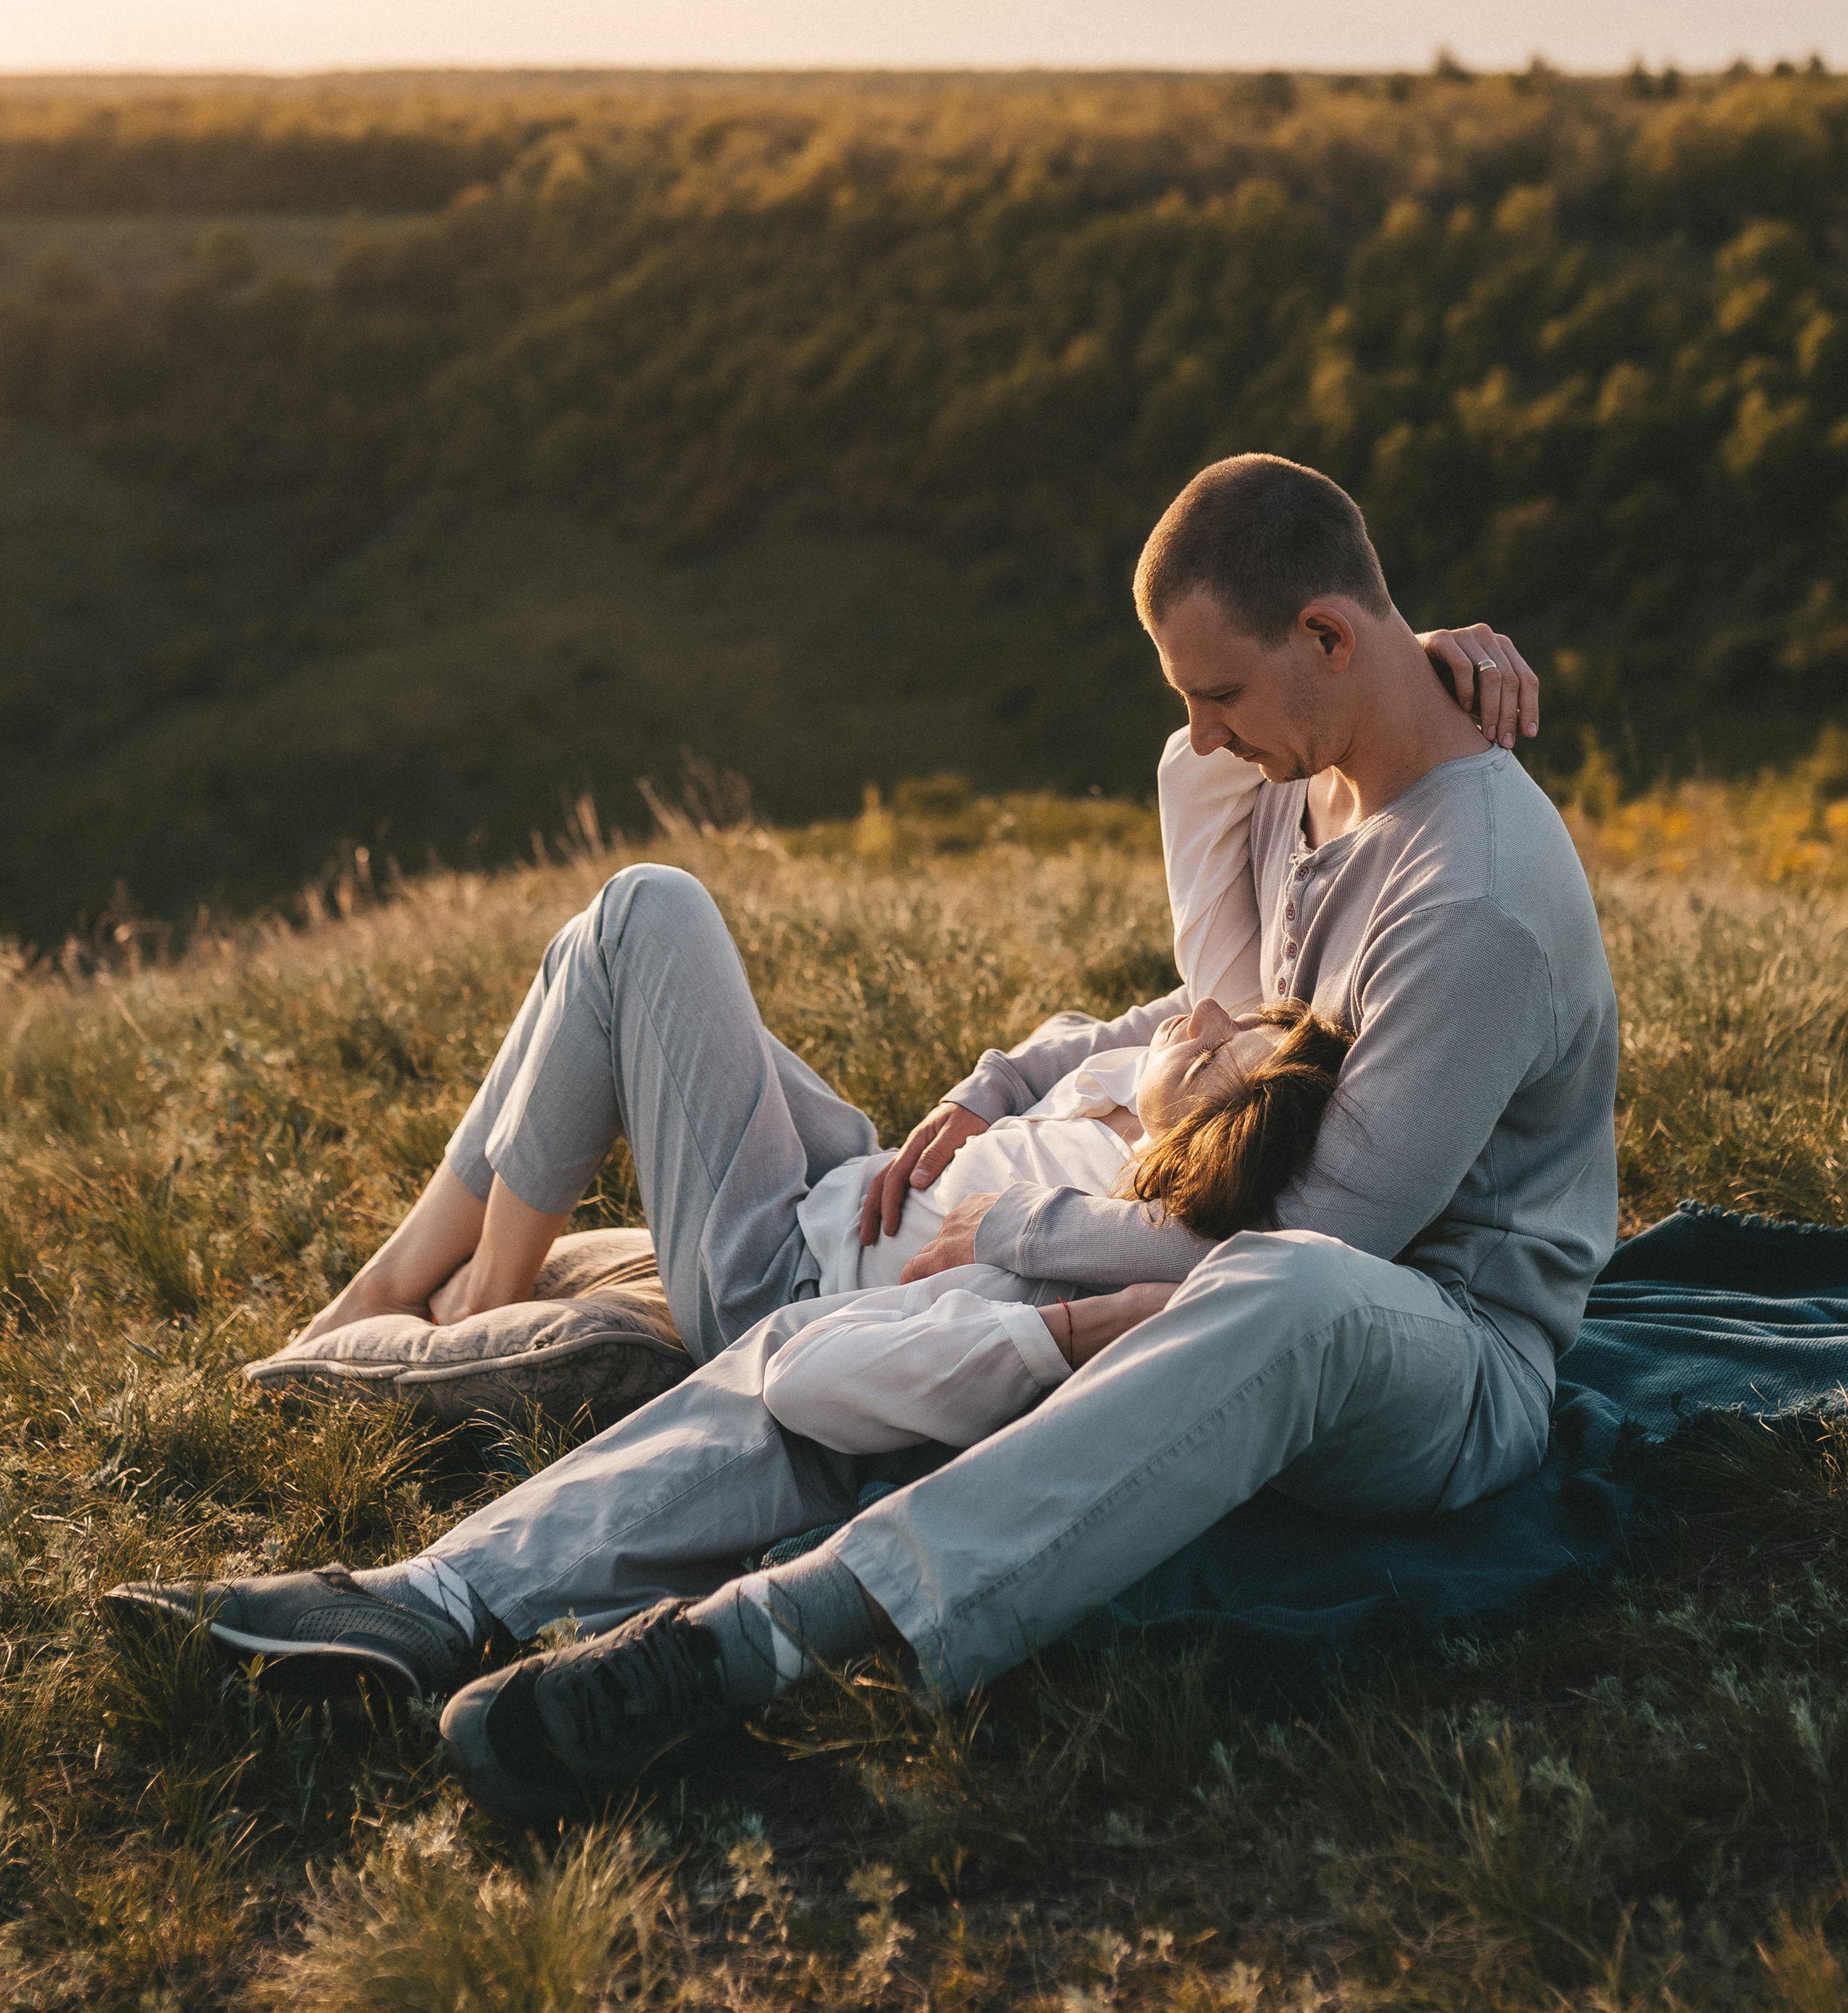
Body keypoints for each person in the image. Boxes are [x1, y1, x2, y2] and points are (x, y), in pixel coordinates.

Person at [105, 454, 1611, 1836]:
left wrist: (1012, 1241)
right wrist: (1420, 665)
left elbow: (1319, 1233)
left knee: (1275, 1296)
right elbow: (1223, 989)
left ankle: (755, 1639)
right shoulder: (1315, 776)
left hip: (1431, 1345)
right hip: (1203, 1244)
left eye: (1218, 693)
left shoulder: (1469, 899)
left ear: (1327, 642)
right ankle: (429, 1598)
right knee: (828, 1362)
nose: (1197, 732)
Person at [760, 1000, 1349, 1456]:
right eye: (1243, 1021)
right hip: (855, 1174)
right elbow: (1109, 1019)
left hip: (787, 1265)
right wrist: (992, 1086)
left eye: (1208, 1058)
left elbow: (803, 1379)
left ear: (1192, 1150)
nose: (1207, 1013)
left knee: (667, 904)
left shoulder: (1096, 1224)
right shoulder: (1139, 1091)